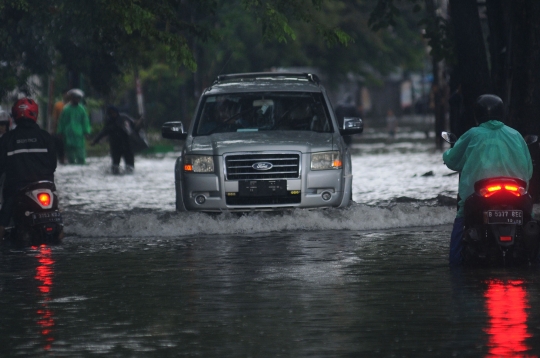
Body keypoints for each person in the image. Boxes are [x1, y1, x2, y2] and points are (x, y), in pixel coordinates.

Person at [442, 94, 533, 265]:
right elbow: (529, 171)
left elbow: (452, 160)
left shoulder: (472, 134)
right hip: (516, 192)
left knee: (462, 220)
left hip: (480, 193)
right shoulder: (516, 135)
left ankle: (455, 267)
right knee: (530, 219)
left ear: (478, 114)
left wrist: (449, 152)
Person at [0, 98, 57, 239]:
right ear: (35, 114)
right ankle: (59, 231)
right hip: (46, 187)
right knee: (57, 216)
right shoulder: (45, 137)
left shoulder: (7, 139)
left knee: (4, 218)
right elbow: (53, 165)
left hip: (17, 190)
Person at [91, 106, 141, 174]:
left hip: (127, 146)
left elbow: (134, 127)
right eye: (110, 113)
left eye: (113, 112)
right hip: (115, 147)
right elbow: (103, 132)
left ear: (117, 112)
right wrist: (95, 141)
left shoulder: (124, 118)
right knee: (115, 166)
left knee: (130, 167)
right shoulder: (109, 122)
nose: (112, 114)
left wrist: (139, 124)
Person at [57, 89, 91, 164]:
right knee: (70, 155)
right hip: (68, 134)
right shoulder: (66, 109)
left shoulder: (82, 109)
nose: (77, 99)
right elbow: (62, 121)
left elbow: (85, 121)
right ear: (71, 98)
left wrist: (87, 132)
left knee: (81, 155)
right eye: (75, 98)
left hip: (79, 134)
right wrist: (60, 132)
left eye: (78, 98)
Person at [51, 89, 69, 164]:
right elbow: (55, 118)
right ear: (63, 95)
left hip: (70, 130)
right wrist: (53, 130)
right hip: (60, 130)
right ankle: (62, 159)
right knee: (60, 146)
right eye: (65, 94)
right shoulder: (58, 105)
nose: (67, 96)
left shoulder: (73, 105)